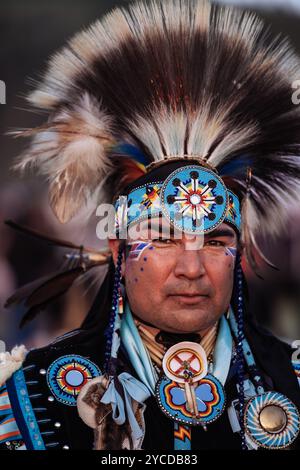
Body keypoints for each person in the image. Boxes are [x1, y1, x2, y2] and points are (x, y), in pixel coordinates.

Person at [1, 0, 300, 451]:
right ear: (119, 251)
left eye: (216, 240)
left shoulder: (290, 378)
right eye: (161, 238)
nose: (192, 268)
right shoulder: (34, 397)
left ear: (238, 253)